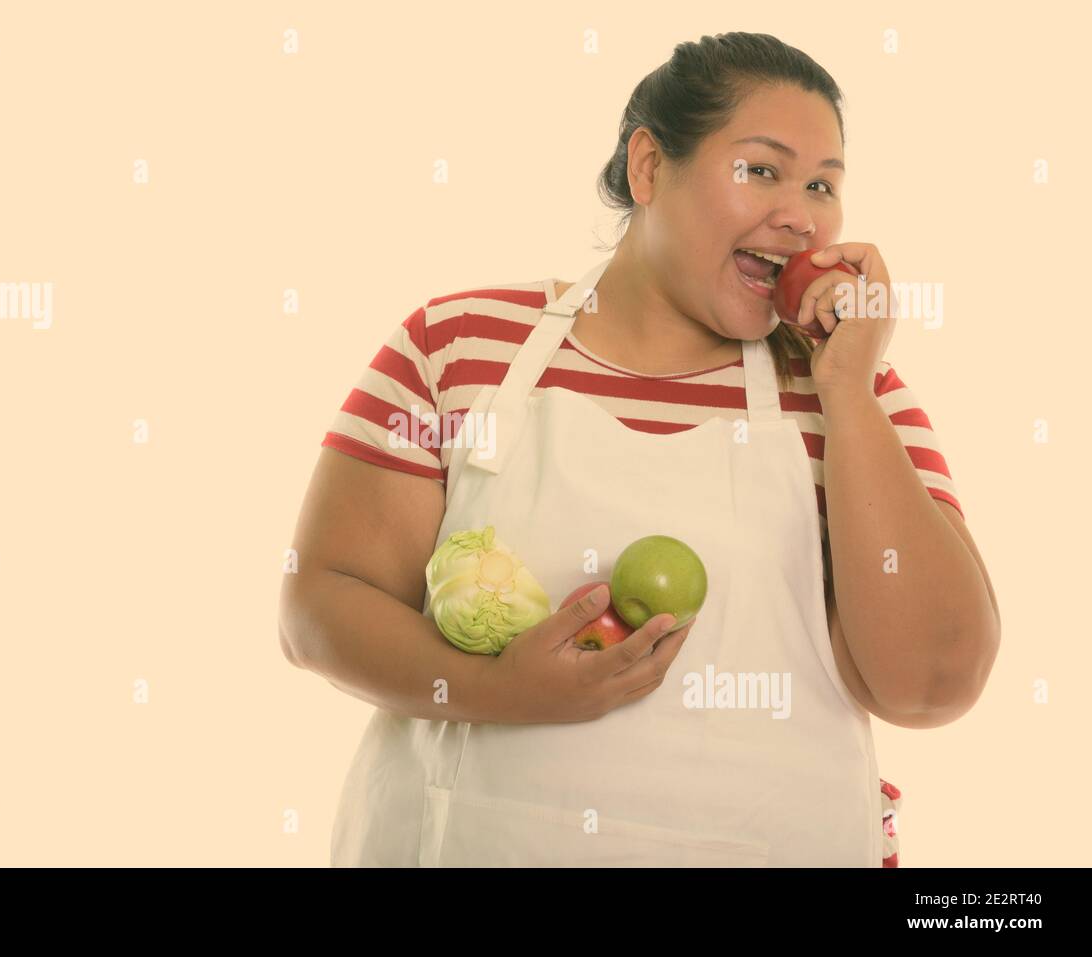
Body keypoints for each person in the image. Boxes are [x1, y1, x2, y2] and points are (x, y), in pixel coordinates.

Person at [278, 32, 1000, 867]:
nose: (801, 215)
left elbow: (931, 684)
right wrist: (496, 689)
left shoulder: (856, 393)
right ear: (650, 167)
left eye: (823, 185)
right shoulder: (457, 346)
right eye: (761, 169)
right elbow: (319, 605)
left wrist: (846, 391)